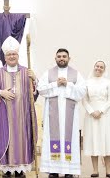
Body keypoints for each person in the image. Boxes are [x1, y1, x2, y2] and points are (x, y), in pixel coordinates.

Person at [0, 36, 37, 178]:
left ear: (18, 55)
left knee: (22, 139)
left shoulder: (26, 72)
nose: (11, 56)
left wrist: (34, 79)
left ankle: (20, 169)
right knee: (6, 139)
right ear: (5, 56)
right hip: (5, 115)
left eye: (14, 54)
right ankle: (6, 170)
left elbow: (34, 92)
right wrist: (0, 92)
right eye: (9, 54)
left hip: (23, 114)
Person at [38, 48, 86, 178]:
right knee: (52, 139)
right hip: (52, 116)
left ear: (69, 58)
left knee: (70, 140)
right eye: (59, 56)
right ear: (55, 58)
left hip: (70, 117)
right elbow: (40, 89)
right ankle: (53, 170)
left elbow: (82, 92)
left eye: (64, 56)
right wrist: (55, 84)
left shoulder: (76, 74)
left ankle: (69, 171)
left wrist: (68, 84)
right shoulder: (48, 74)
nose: (61, 58)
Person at [82, 61, 110, 178]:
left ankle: (108, 170)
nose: (99, 68)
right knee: (94, 141)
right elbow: (84, 99)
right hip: (91, 116)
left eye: (101, 67)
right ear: (94, 67)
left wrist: (101, 110)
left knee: (106, 141)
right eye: (97, 66)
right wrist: (92, 111)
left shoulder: (108, 82)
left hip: (105, 115)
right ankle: (95, 170)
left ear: (104, 69)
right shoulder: (87, 82)